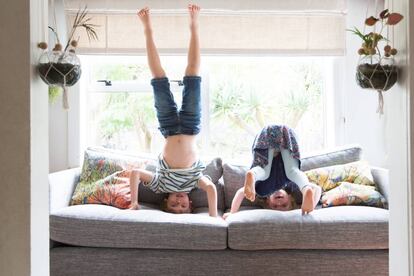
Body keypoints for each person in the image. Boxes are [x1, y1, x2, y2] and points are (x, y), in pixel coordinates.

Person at [129, 5, 218, 217]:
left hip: (168, 127)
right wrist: (214, 216)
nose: (178, 202)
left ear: (165, 201)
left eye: (173, 205)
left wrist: (134, 202)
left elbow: (135, 174)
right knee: (193, 74)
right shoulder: (195, 182)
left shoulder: (160, 185)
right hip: (190, 126)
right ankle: (194, 25)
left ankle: (147, 29)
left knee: (158, 78)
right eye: (183, 206)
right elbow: (212, 189)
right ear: (190, 203)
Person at [223, 125, 322, 219]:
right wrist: (311, 206)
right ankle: (306, 189)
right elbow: (317, 188)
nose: (279, 202)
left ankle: (253, 174)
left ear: (267, 202)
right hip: (286, 134)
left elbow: (241, 192)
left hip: (267, 135)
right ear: (291, 199)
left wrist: (232, 213)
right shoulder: (292, 185)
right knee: (292, 172)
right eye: (284, 205)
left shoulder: (261, 190)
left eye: (275, 206)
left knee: (266, 174)